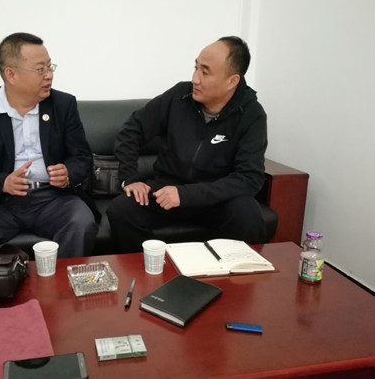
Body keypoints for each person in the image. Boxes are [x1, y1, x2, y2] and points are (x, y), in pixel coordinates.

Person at [0, 32, 98, 257]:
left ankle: (62, 281)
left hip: (52, 198)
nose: (49, 75)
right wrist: (3, 182)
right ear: (11, 74)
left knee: (81, 222)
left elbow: (82, 156)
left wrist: (68, 173)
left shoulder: (63, 105)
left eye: (50, 67)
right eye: (40, 69)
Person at [107, 36, 267, 253]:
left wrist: (185, 195)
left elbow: (249, 178)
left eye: (205, 72)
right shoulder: (179, 96)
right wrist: (130, 178)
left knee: (247, 213)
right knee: (121, 209)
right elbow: (132, 130)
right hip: (165, 190)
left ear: (232, 81)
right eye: (196, 67)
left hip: (216, 199)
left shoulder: (251, 114)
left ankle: (235, 273)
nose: (195, 79)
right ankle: (151, 267)